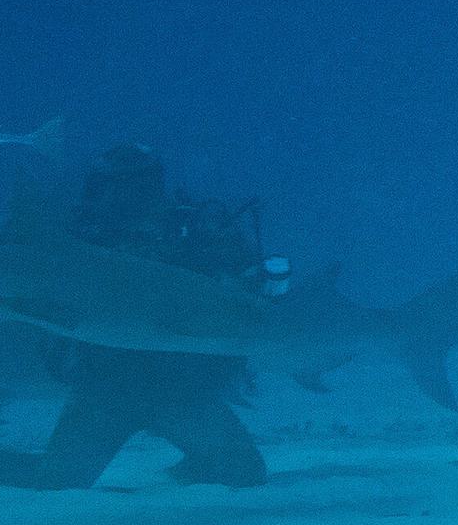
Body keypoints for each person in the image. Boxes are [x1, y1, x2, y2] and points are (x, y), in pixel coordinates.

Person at [0, 146, 274, 491]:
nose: (130, 195)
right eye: (119, 185)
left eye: (142, 184)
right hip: (106, 383)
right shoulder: (77, 235)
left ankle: (179, 475)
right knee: (57, 480)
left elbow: (250, 289)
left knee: (244, 473)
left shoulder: (193, 233)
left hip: (179, 386)